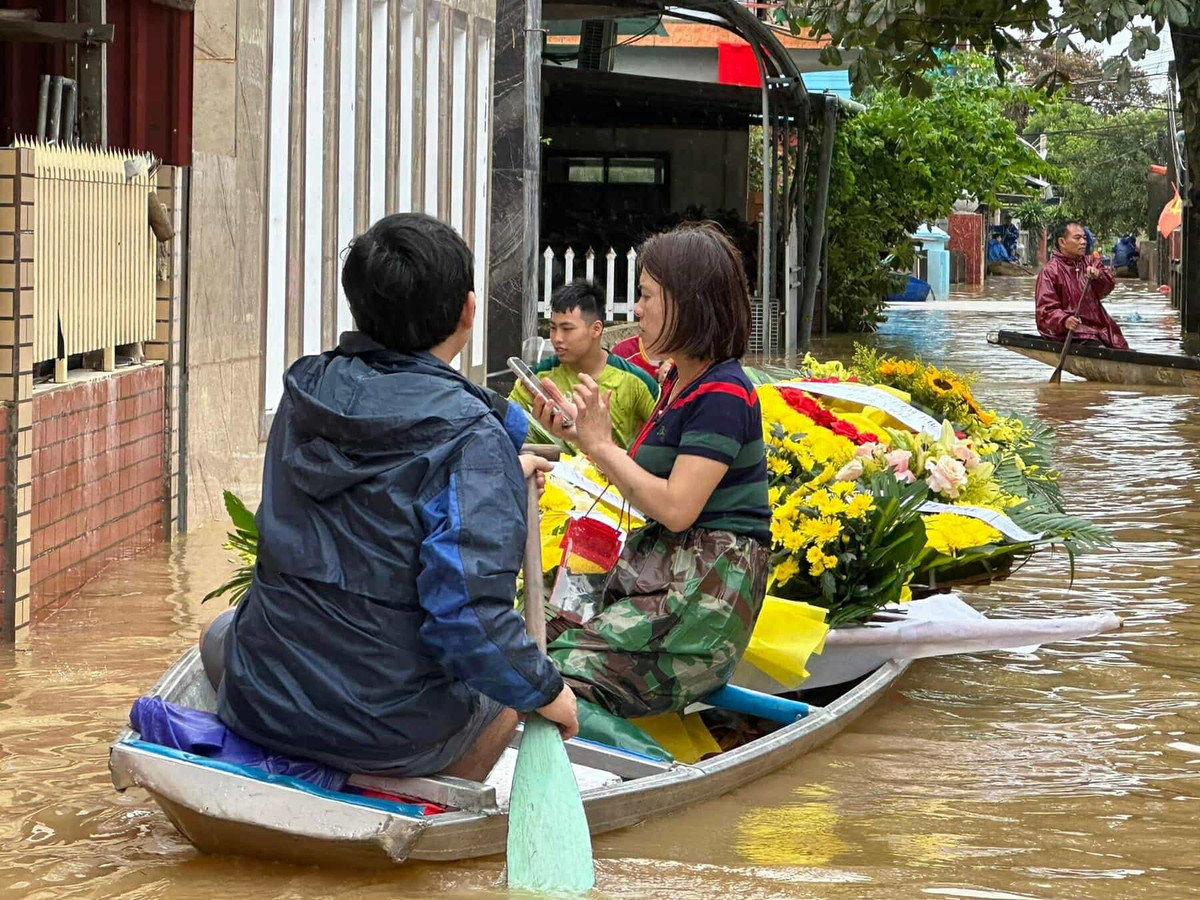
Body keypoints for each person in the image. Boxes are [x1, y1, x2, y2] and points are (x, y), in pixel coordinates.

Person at [200, 213, 578, 782]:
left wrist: (507, 452)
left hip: (263, 706)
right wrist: (550, 693)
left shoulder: (303, 394)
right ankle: (431, 792)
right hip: (393, 733)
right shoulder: (471, 438)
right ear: (468, 312)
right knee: (507, 685)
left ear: (360, 307)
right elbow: (472, 624)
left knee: (220, 634)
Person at [533, 222, 771, 719]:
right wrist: (581, 435)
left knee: (553, 674)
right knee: (524, 631)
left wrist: (599, 444)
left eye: (646, 296)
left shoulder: (724, 392)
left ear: (690, 303)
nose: (635, 310)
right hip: (655, 576)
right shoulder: (678, 382)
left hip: (704, 596)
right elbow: (643, 479)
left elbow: (676, 507)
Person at [510, 279, 659, 449]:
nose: (557, 338)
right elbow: (504, 423)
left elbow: (666, 439)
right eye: (552, 328)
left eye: (567, 329)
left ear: (596, 329)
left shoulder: (637, 382)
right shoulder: (537, 379)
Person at [1035, 220, 1128, 350]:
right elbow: (1045, 311)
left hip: (1099, 327)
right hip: (1072, 333)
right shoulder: (1050, 272)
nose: (1083, 242)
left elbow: (1108, 286)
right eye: (1077, 238)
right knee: (1097, 348)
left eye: (1084, 238)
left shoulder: (1091, 262)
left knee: (1120, 345)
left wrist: (1098, 276)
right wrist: (1064, 320)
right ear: (1062, 242)